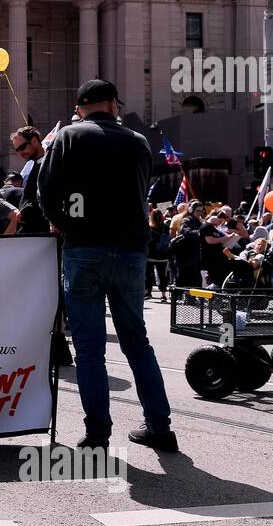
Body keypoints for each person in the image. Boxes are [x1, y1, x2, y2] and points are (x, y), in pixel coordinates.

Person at [38, 79, 177, 452]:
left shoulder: (68, 137)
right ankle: (159, 427)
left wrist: (62, 221)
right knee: (137, 342)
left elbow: (46, 190)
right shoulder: (138, 141)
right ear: (114, 105)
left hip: (84, 247)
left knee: (89, 348)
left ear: (80, 106)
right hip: (131, 250)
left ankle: (98, 433)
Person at [9, 126, 52, 234]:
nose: (20, 153)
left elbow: (47, 196)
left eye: (22, 147)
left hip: (45, 232)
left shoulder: (50, 165)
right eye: (17, 150)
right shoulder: (35, 166)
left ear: (34, 141)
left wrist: (25, 212)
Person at [147, 208, 170, 302]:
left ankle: (148, 292)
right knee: (162, 275)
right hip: (163, 256)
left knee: (148, 274)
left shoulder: (149, 228)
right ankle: (163, 294)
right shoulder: (166, 227)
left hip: (150, 255)